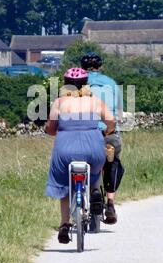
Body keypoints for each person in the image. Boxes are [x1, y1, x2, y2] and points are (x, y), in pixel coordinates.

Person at [45, 68, 116, 244]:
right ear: (86, 83)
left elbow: (51, 128)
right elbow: (111, 121)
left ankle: (64, 224)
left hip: (65, 149)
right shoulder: (95, 101)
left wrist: (51, 130)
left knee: (63, 182)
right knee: (95, 171)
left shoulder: (60, 102)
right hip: (93, 146)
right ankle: (94, 192)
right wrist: (108, 131)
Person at [81, 52, 124, 225]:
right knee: (113, 163)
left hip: (86, 133)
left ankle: (91, 191)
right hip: (108, 133)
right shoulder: (111, 83)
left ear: (82, 68)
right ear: (101, 66)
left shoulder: (77, 85)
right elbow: (119, 113)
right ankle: (111, 204)